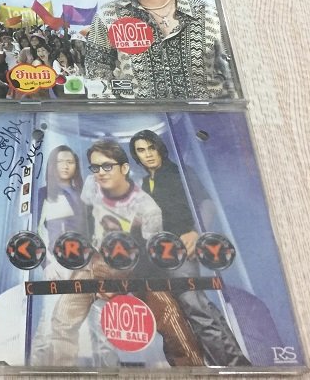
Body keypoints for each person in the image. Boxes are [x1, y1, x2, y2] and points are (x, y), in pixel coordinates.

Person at [36, 140, 205, 367]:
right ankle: (59, 371)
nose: (100, 172)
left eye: (107, 166)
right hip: (95, 263)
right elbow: (84, 229)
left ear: (124, 168)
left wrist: (120, 282)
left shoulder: (147, 207)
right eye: (95, 167)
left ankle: (194, 371)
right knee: (63, 317)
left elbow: (152, 254)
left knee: (171, 316)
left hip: (136, 267)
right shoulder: (90, 186)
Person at [129, 130, 250, 366]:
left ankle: (235, 365)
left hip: (180, 251)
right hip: (156, 256)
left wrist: (196, 232)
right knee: (189, 310)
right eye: (141, 150)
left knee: (195, 307)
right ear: (136, 156)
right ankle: (226, 363)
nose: (148, 154)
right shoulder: (145, 182)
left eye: (151, 148)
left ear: (160, 148)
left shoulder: (179, 172)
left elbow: (207, 203)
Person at [84, 0, 236, 99]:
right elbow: (96, 74)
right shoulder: (108, 15)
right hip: (139, 114)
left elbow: (232, 77)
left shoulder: (207, 14)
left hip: (207, 113)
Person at [30, 146, 87, 362]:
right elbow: (34, 231)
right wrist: (46, 263)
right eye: (60, 161)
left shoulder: (83, 194)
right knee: (49, 322)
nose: (65, 166)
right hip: (57, 263)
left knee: (88, 324)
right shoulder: (43, 193)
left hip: (85, 264)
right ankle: (35, 370)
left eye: (70, 162)